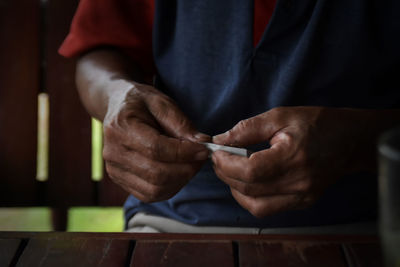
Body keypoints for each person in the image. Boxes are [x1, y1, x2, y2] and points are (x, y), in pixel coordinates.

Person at [60, 0, 400, 233]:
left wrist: (360, 143)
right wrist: (117, 96)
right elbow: (101, 50)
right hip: (172, 222)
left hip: (373, 226)